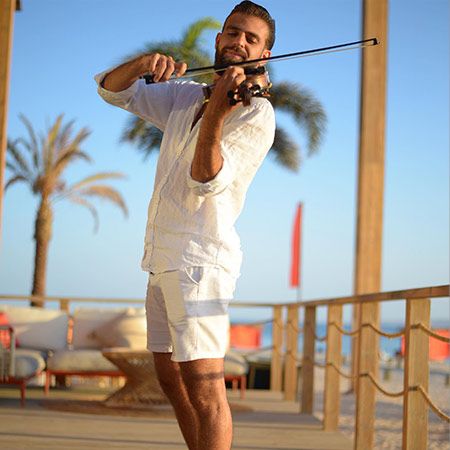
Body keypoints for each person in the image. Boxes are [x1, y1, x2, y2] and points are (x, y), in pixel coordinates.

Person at [95, 2, 275, 449]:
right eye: (233, 32)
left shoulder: (255, 113)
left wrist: (217, 113)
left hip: (201, 262)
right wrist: (143, 64)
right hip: (161, 257)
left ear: (264, 55)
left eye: (251, 38)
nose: (239, 42)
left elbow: (205, 179)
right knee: (169, 377)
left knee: (206, 390)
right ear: (219, 39)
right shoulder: (186, 96)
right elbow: (112, 91)